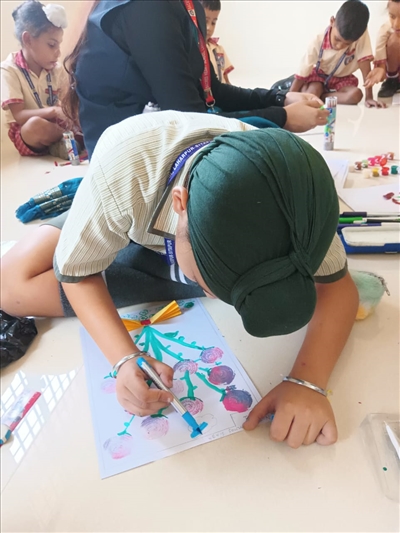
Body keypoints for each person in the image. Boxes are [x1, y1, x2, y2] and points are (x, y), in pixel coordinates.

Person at [1, 110, 360, 448]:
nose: (215, 298)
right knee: (10, 287)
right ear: (180, 204)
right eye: (205, 282)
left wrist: (307, 382)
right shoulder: (123, 171)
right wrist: (125, 358)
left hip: (173, 227)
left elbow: (338, 289)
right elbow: (78, 274)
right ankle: (105, 225)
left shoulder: (303, 200)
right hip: (126, 197)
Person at [62, 0, 328, 159]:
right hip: (127, 166)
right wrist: (282, 117)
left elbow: (212, 91)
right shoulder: (147, 8)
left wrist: (281, 99)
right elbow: (191, 118)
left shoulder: (188, 7)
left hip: (160, 144)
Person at [274, 0, 384, 108]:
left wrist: (369, 97)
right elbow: (303, 71)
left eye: (347, 44)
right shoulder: (317, 41)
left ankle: (321, 97)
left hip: (342, 78)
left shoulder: (359, 35)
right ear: (332, 21)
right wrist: (289, 96)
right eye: (337, 39)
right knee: (312, 92)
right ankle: (295, 87)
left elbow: (364, 63)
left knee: (355, 95)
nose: (339, 46)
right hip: (320, 76)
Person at [0, 0, 73, 159]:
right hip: (29, 133)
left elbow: (65, 104)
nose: (58, 53)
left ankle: (62, 143)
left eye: (59, 45)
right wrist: (54, 111)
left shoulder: (56, 69)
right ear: (28, 40)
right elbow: (19, 115)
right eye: (52, 45)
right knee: (34, 126)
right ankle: (69, 141)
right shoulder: (9, 70)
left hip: (56, 126)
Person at [364, 0, 400, 98]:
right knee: (395, 40)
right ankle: (392, 81)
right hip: (396, 70)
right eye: (392, 17)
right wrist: (381, 68)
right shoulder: (386, 30)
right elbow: (380, 48)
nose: (396, 24)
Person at [200, 0, 233, 84]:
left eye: (213, 23)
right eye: (205, 21)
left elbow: (226, 79)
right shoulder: (193, 49)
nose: (209, 28)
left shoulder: (219, 49)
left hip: (220, 91)